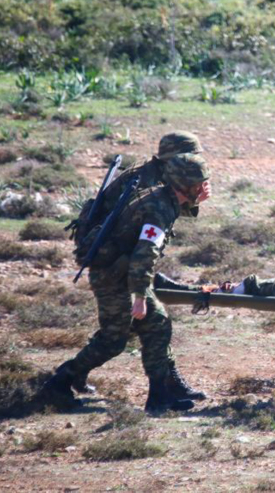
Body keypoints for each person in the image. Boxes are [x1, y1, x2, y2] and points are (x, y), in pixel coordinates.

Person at [42, 153, 212, 414]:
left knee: (157, 325)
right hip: (112, 277)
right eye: (199, 183)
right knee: (113, 340)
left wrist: (195, 201)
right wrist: (141, 297)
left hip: (123, 274)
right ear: (185, 183)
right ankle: (60, 382)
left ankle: (160, 397)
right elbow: (145, 255)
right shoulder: (158, 209)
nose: (204, 187)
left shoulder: (162, 196)